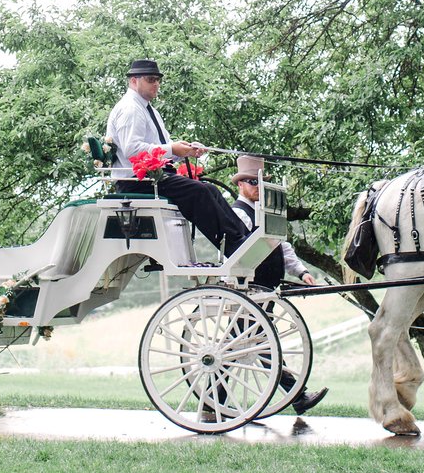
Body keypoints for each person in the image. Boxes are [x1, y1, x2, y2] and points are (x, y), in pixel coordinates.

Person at [105, 58, 247, 258]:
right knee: (201, 192)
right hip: (138, 181)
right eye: (151, 79)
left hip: (153, 176)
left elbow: (161, 150)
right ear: (134, 81)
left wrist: (185, 152)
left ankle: (242, 238)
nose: (156, 84)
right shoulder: (131, 108)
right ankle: (235, 246)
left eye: (158, 79)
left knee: (210, 190)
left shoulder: (148, 109)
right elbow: (132, 150)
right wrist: (173, 148)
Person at [231, 154, 329, 417]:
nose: (256, 187)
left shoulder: (262, 214)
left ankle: (213, 399)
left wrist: (302, 271)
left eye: (259, 183)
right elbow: (239, 251)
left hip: (265, 290)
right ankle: (297, 395)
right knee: (256, 344)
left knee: (245, 344)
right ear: (240, 185)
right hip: (249, 289)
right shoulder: (240, 213)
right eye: (252, 182)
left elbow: (282, 247)